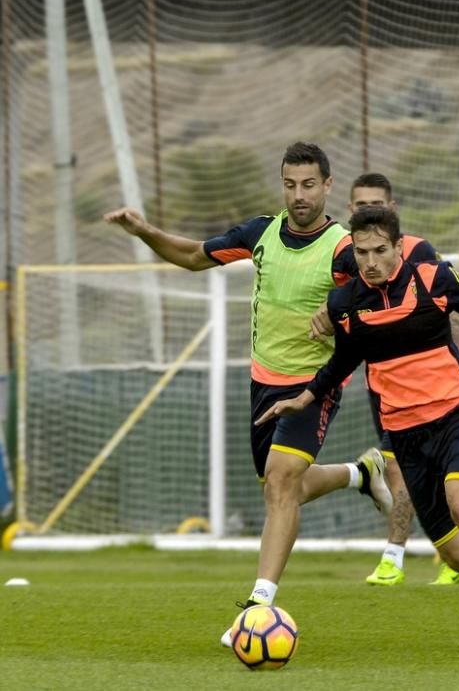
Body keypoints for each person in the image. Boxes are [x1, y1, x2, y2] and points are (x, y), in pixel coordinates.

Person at [103, 142, 393, 647]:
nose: (299, 195)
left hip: (314, 385)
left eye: (309, 185)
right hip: (263, 383)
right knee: (282, 489)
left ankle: (258, 607)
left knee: (281, 483)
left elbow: (381, 280)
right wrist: (144, 231)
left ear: (327, 186)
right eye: (290, 184)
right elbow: (194, 256)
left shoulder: (346, 248)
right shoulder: (261, 234)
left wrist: (338, 303)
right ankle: (360, 473)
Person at [256, 205, 459, 655]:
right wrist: (306, 396)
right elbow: (344, 360)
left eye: (379, 250)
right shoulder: (346, 303)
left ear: (398, 247)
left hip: (456, 418)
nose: (370, 261)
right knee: (456, 553)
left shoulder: (434, 280)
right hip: (405, 437)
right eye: (361, 252)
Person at [347, 173, 459, 587]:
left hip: (435, 389)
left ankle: (394, 554)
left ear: (393, 210)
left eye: (376, 205)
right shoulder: (344, 258)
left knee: (430, 479)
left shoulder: (420, 254)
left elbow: (445, 310)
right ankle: (413, 552)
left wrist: (455, 368)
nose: (367, 211)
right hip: (381, 382)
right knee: (405, 471)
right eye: (360, 205)